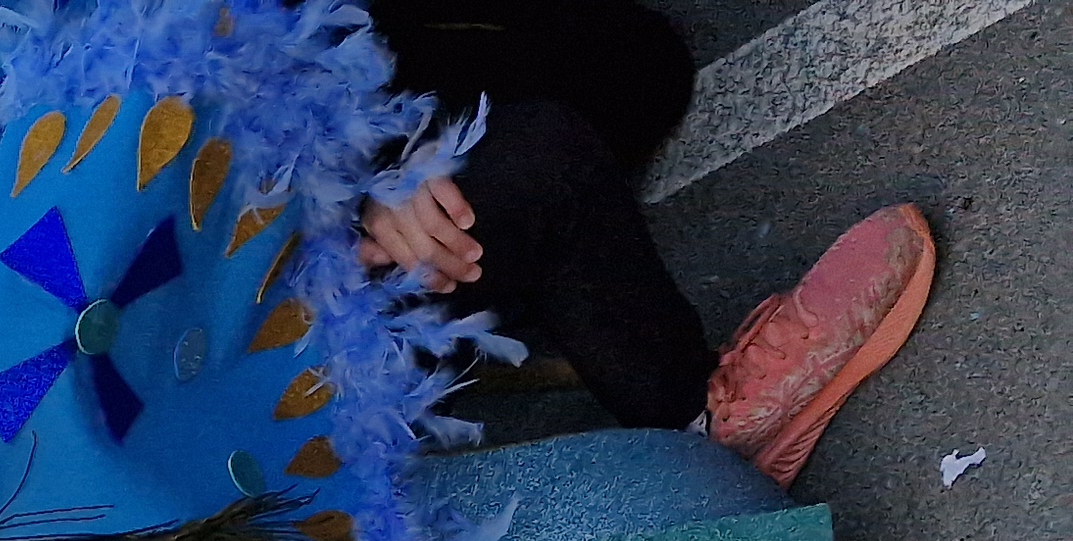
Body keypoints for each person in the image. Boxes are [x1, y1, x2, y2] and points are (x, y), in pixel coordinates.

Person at [347, 0, 930, 481]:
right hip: (304, 374)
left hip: (301, 222)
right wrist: (367, 192)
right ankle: (698, 417)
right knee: (546, 159)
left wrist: (380, 145)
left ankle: (522, 312)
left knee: (630, 63)